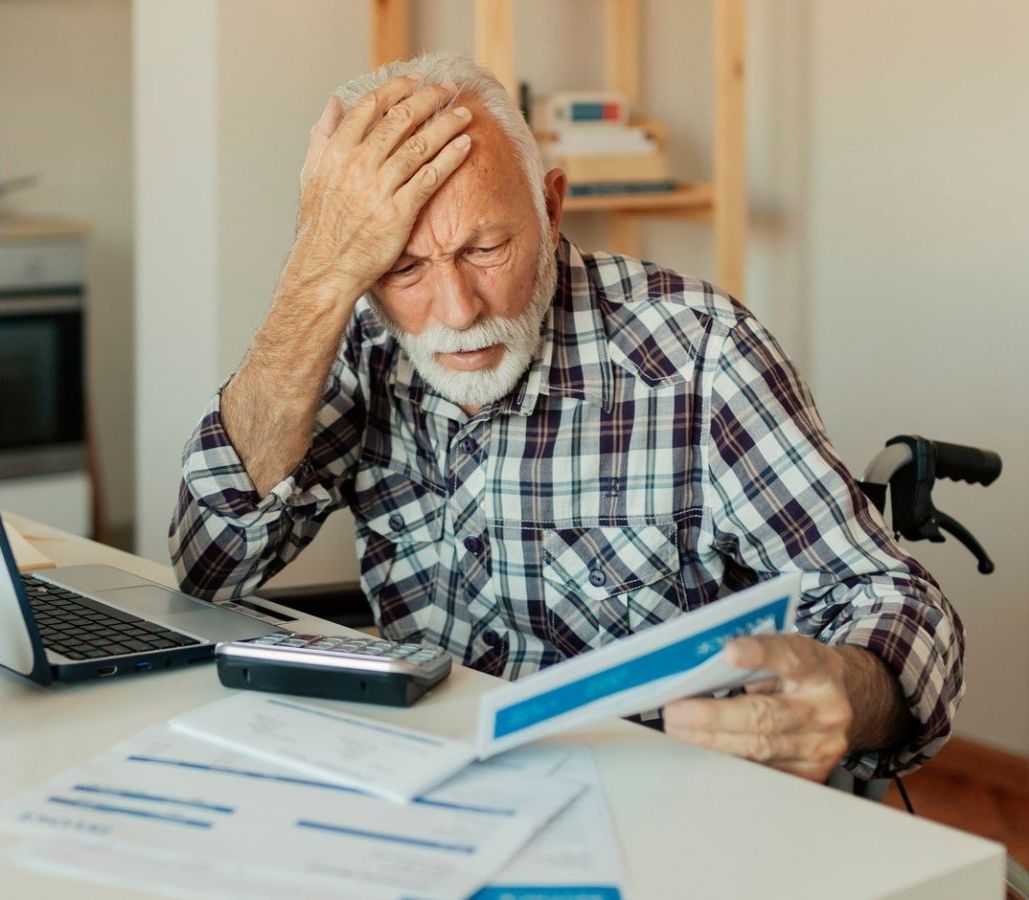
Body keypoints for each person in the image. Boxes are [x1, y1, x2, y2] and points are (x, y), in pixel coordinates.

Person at [170, 52, 963, 785]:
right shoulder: (359, 338)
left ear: (551, 207)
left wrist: (848, 690)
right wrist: (318, 274)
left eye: (486, 249)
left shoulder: (699, 353)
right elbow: (210, 566)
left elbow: (892, 601)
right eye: (403, 267)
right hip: (438, 784)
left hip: (664, 800)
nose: (455, 311)